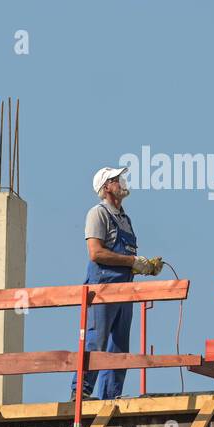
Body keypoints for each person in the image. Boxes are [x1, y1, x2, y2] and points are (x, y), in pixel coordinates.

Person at [73, 166, 162, 401]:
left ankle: (110, 396)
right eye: (116, 179)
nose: (122, 182)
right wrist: (132, 261)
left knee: (119, 346)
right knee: (96, 339)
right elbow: (96, 253)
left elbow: (123, 259)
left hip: (124, 291)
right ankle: (81, 392)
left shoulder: (125, 219)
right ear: (106, 187)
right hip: (102, 288)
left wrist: (144, 267)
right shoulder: (98, 214)